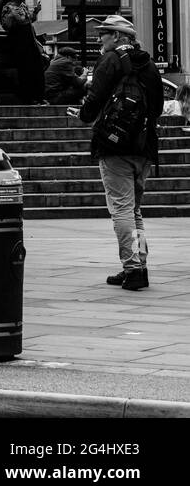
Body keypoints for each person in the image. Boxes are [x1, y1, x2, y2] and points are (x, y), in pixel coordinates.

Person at [71, 15, 162, 292]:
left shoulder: (109, 61)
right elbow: (156, 107)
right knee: (134, 210)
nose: (101, 39)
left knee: (121, 209)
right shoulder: (149, 64)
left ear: (120, 37)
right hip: (144, 146)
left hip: (114, 146)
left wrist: (84, 116)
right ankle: (139, 264)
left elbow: (95, 97)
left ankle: (133, 269)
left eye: (105, 34)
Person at [0, 0, 46, 104]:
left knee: (37, 69)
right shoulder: (8, 8)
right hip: (19, 44)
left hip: (30, 42)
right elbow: (6, 26)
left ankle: (39, 96)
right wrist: (11, 16)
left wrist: (36, 11)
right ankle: (28, 98)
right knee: (26, 71)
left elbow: (29, 19)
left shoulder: (23, 6)